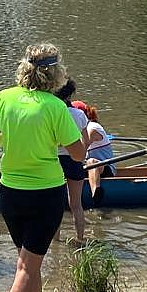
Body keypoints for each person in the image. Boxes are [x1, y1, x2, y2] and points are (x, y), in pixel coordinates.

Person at [0, 42, 86, 292]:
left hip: (10, 193)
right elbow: (78, 154)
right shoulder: (55, 107)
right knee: (26, 267)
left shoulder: (4, 98)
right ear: (56, 74)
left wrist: (8, 137)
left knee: (28, 261)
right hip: (45, 194)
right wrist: (63, 139)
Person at [54, 79, 91, 241]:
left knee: (56, 205)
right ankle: (80, 239)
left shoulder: (52, 112)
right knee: (76, 205)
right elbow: (86, 140)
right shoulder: (79, 114)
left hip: (55, 162)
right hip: (75, 160)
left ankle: (56, 242)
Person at [73, 101, 114, 205]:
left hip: (106, 168)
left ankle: (96, 193)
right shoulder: (81, 129)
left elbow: (81, 151)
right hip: (90, 168)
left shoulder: (92, 127)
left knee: (91, 162)